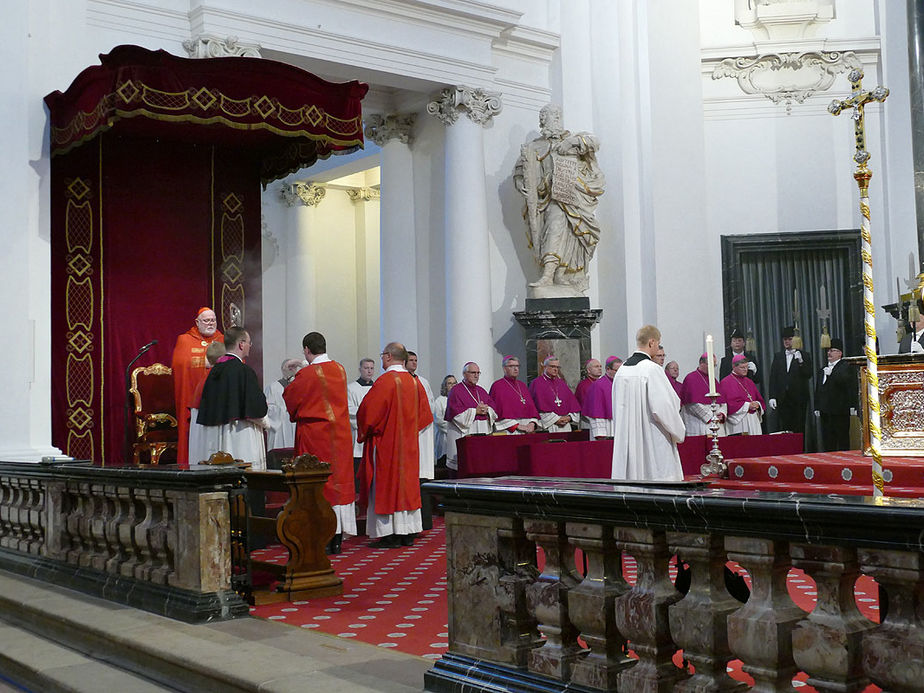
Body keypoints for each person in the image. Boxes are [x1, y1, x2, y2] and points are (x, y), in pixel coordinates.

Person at [513, 103, 605, 294]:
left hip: (573, 196)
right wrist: (520, 181)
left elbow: (594, 141)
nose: (549, 120)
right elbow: (523, 170)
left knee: (571, 235)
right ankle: (550, 274)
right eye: (546, 117)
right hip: (551, 198)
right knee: (554, 229)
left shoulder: (572, 140)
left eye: (554, 117)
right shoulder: (535, 146)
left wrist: (571, 143)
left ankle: (558, 275)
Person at [283, 332, 356, 554]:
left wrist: (291, 377)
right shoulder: (340, 369)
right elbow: (321, 373)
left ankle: (322, 536)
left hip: (316, 436)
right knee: (338, 481)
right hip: (340, 435)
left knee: (320, 484)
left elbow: (292, 399)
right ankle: (337, 538)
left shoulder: (305, 375)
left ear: (306, 349)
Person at [356, 342, 433, 548]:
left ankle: (390, 533)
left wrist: (368, 429)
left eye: (382, 356)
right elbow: (425, 416)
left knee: (387, 485)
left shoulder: (384, 382)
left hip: (387, 446)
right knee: (407, 486)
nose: (381, 359)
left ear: (389, 357)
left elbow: (368, 414)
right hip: (409, 446)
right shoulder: (415, 382)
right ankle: (408, 531)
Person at [611, 325, 686, 481]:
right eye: (658, 344)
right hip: (652, 438)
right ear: (651, 342)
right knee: (656, 479)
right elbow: (664, 408)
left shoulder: (622, 370)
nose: (658, 348)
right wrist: (679, 430)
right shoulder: (652, 370)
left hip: (627, 440)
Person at [196, 326, 268, 469]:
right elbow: (256, 410)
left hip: (217, 438)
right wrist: (268, 423)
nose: (249, 346)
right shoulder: (244, 371)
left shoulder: (214, 371)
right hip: (241, 436)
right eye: (249, 342)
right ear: (241, 344)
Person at [171, 307, 224, 463]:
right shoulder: (185, 339)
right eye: (206, 320)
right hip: (193, 396)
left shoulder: (222, 339)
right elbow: (179, 364)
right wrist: (203, 362)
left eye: (212, 320)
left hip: (217, 397)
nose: (210, 323)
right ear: (197, 322)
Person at [445, 362, 498, 472]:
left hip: (481, 433)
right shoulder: (456, 391)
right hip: (464, 434)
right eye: (473, 372)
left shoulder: (481, 390)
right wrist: (475, 411)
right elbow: (455, 413)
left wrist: (487, 410)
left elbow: (493, 409)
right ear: (464, 374)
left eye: (478, 373)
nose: (476, 375)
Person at [407, 350, 436, 530]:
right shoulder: (402, 381)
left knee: (422, 477)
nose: (414, 363)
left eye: (416, 360)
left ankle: (425, 522)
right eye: (411, 360)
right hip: (410, 433)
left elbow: (430, 405)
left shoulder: (423, 382)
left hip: (423, 435)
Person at [814, 338, 858, 451]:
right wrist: (817, 406)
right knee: (828, 441)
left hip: (839, 411)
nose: (829, 353)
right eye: (828, 350)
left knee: (842, 439)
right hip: (825, 412)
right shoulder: (823, 369)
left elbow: (847, 383)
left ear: (839, 353)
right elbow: (818, 389)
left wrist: (832, 375)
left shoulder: (846, 366)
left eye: (832, 350)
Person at [768, 326, 813, 433]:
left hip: (799, 399)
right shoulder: (778, 356)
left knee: (799, 428)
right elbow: (773, 377)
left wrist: (801, 362)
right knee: (784, 428)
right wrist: (772, 396)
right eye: (785, 339)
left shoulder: (804, 355)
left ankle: (800, 450)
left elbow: (808, 374)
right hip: (783, 398)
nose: (787, 342)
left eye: (789, 339)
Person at [187, 341, 226, 464]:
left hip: (200, 417)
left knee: (200, 451)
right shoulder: (217, 376)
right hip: (209, 422)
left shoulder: (206, 376)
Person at [489, 356, 539, 435]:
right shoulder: (497, 386)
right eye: (511, 366)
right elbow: (497, 412)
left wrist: (532, 423)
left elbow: (532, 409)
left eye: (517, 366)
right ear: (504, 368)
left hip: (528, 430)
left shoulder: (522, 386)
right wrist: (516, 426)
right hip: (510, 431)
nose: (516, 369)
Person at [529, 356, 581, 432]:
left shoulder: (561, 383)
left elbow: (573, 404)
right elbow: (536, 407)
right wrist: (556, 419)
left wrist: (569, 417)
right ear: (545, 367)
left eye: (557, 367)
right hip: (548, 426)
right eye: (552, 366)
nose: (555, 369)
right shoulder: (537, 383)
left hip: (565, 426)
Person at [347, 358, 376, 487]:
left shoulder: (377, 387)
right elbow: (349, 409)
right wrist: (367, 413)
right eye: (366, 368)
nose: (369, 371)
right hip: (358, 434)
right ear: (360, 370)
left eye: (371, 368)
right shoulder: (351, 388)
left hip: (374, 434)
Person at [681, 354, 726, 436]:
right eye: (711, 365)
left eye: (714, 365)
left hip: (716, 422)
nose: (713, 368)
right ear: (701, 363)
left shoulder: (713, 380)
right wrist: (711, 415)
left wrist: (721, 414)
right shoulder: (691, 378)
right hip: (698, 423)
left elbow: (723, 402)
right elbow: (692, 403)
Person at [720, 354, 766, 435]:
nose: (745, 370)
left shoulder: (749, 381)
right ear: (734, 367)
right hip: (739, 421)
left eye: (747, 367)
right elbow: (728, 405)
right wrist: (748, 406)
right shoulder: (726, 382)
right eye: (742, 367)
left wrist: (757, 405)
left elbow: (759, 400)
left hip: (753, 420)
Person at [263, 358, 301, 453]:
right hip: (279, 428)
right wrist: (284, 409)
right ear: (283, 369)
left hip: (296, 426)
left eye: (294, 367)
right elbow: (267, 410)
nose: (292, 369)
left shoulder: (300, 386)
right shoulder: (273, 387)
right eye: (289, 367)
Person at [583, 355, 621, 440]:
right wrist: (600, 434)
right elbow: (596, 412)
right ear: (608, 369)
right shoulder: (598, 386)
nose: (619, 373)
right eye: (616, 370)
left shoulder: (622, 384)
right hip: (606, 429)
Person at [433, 375, 456, 466]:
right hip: (444, 440)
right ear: (445, 386)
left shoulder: (458, 400)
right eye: (449, 383)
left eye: (454, 383)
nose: (452, 385)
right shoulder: (439, 401)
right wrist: (454, 428)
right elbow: (439, 421)